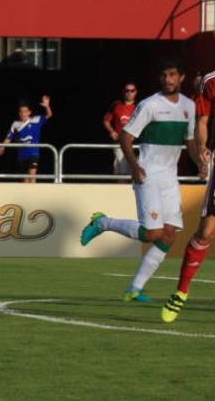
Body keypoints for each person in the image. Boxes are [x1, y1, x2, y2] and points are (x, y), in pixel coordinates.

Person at [81, 64, 198, 304]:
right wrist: (135, 167)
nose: (168, 79)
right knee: (152, 233)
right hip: (148, 174)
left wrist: (201, 162)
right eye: (164, 75)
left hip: (169, 178)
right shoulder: (150, 104)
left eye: (173, 74)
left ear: (182, 78)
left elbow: (191, 141)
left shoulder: (189, 106)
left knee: (167, 237)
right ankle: (103, 222)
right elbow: (126, 136)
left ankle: (134, 288)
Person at [162, 67, 215, 322]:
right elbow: (203, 122)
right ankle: (181, 292)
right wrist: (203, 147)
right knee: (205, 230)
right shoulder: (210, 82)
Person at [0, 96, 53, 183]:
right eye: (21, 111)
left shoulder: (36, 120)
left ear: (29, 112)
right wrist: (2, 147)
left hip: (33, 153)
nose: (23, 113)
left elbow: (49, 115)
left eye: (25, 111)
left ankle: (33, 195)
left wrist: (47, 106)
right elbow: (8, 138)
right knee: (25, 180)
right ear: (19, 113)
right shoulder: (15, 124)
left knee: (32, 174)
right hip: (21, 155)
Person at [103, 82, 137, 176]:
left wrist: (135, 135)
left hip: (135, 145)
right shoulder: (116, 105)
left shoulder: (139, 107)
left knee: (134, 172)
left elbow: (145, 124)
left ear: (136, 92)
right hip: (119, 143)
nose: (129, 93)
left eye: (132, 91)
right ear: (123, 92)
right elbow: (106, 121)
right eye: (127, 90)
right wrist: (112, 131)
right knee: (121, 170)